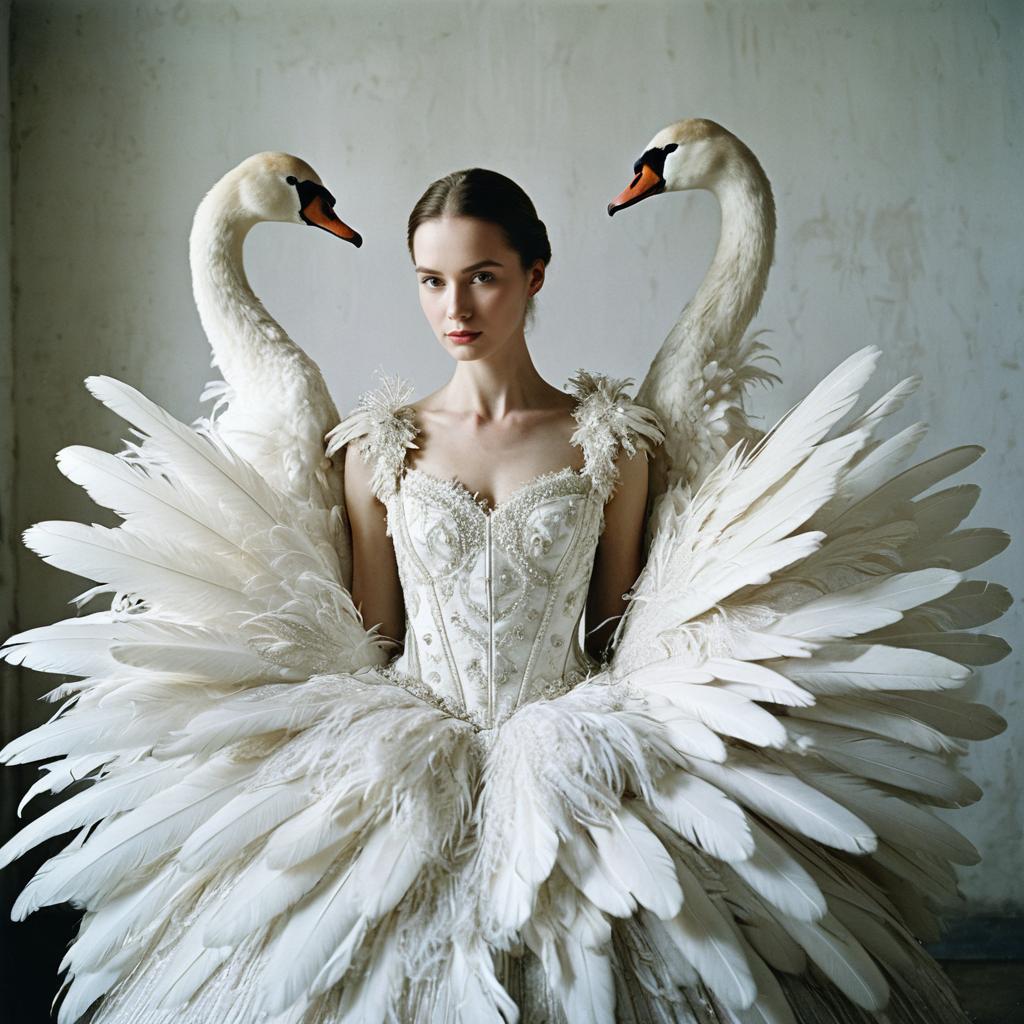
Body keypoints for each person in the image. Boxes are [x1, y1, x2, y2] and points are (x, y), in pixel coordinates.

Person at [0, 137, 1007, 1024]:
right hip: (407, 737)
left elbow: (612, 625)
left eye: (481, 276)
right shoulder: (375, 450)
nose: (455, 306)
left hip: (575, 734)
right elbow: (373, 629)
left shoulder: (607, 439)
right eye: (432, 281)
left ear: (533, 274)